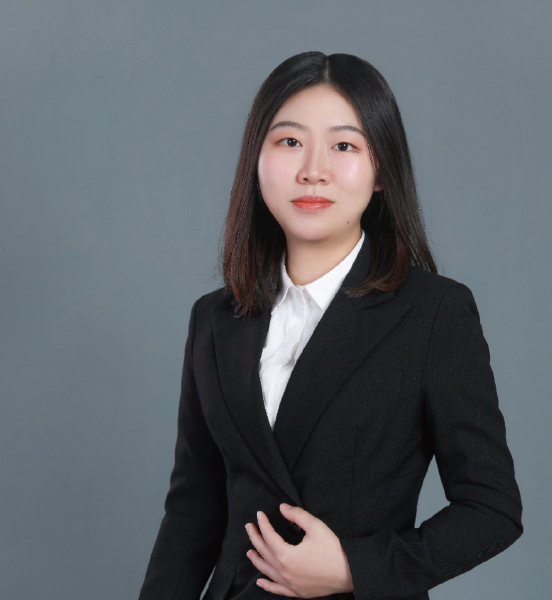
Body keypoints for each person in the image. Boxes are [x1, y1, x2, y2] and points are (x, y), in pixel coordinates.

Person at [138, 51, 523, 600]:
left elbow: (492, 509)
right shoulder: (216, 319)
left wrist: (351, 569)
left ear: (381, 170)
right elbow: (192, 510)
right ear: (256, 160)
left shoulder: (434, 313)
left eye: (344, 146)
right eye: (289, 141)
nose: (312, 170)